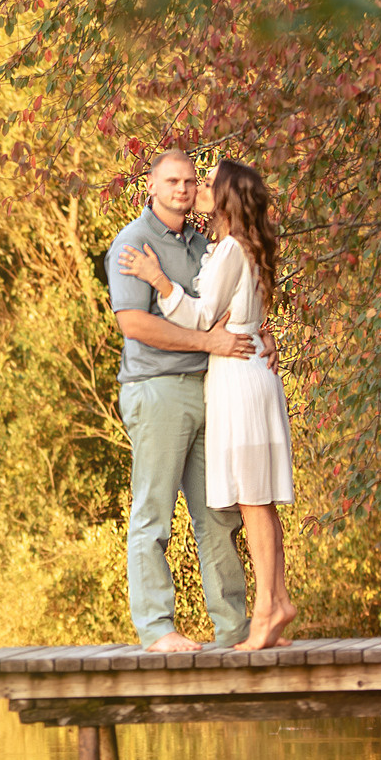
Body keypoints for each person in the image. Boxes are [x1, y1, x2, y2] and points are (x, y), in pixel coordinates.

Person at [120, 158, 297, 650]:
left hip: (235, 377)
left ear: (223, 197)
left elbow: (203, 317)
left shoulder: (226, 247)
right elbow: (236, 312)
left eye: (203, 182)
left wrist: (159, 281)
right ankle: (274, 603)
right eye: (182, 180)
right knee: (254, 500)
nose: (194, 187)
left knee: (249, 501)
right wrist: (256, 331)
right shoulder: (234, 245)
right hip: (236, 371)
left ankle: (264, 612)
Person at [106, 150, 255, 652]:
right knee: (154, 511)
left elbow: (223, 309)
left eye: (191, 181)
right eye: (172, 181)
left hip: (209, 386)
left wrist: (264, 336)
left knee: (219, 512)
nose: (183, 189)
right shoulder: (133, 244)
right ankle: (156, 628)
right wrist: (207, 342)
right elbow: (135, 324)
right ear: (151, 186)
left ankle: (234, 629)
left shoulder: (203, 244)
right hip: (157, 389)